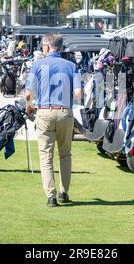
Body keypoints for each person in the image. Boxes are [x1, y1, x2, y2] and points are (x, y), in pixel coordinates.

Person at [25, 33, 82, 207]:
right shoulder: (72, 66)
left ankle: (51, 195)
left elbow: (28, 93)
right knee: (65, 154)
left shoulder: (38, 65)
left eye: (43, 45)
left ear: (48, 47)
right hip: (65, 112)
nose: (42, 48)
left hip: (45, 112)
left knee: (45, 156)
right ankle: (64, 192)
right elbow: (78, 94)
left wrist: (29, 106)